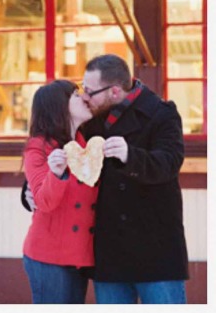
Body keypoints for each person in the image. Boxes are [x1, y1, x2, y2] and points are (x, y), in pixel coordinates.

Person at [80, 55, 189, 304]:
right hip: (109, 250)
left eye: (90, 91)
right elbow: (65, 155)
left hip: (156, 247)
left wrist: (130, 155)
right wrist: (31, 188)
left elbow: (170, 163)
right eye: (82, 89)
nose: (85, 96)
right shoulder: (90, 118)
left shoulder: (163, 114)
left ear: (115, 91)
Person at [22, 80, 96, 303]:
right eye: (75, 95)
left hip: (79, 255)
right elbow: (43, 201)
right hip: (49, 255)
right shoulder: (38, 149)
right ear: (59, 106)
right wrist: (56, 173)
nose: (84, 97)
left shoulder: (87, 146)